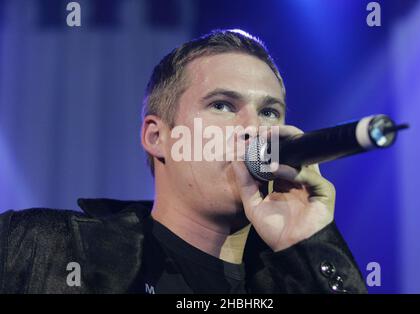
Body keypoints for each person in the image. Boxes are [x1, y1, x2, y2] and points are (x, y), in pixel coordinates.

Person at [0, 29, 367, 294]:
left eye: (270, 112)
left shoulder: (297, 278)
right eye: (222, 105)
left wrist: (308, 243)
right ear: (157, 138)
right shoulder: (37, 246)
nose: (255, 128)